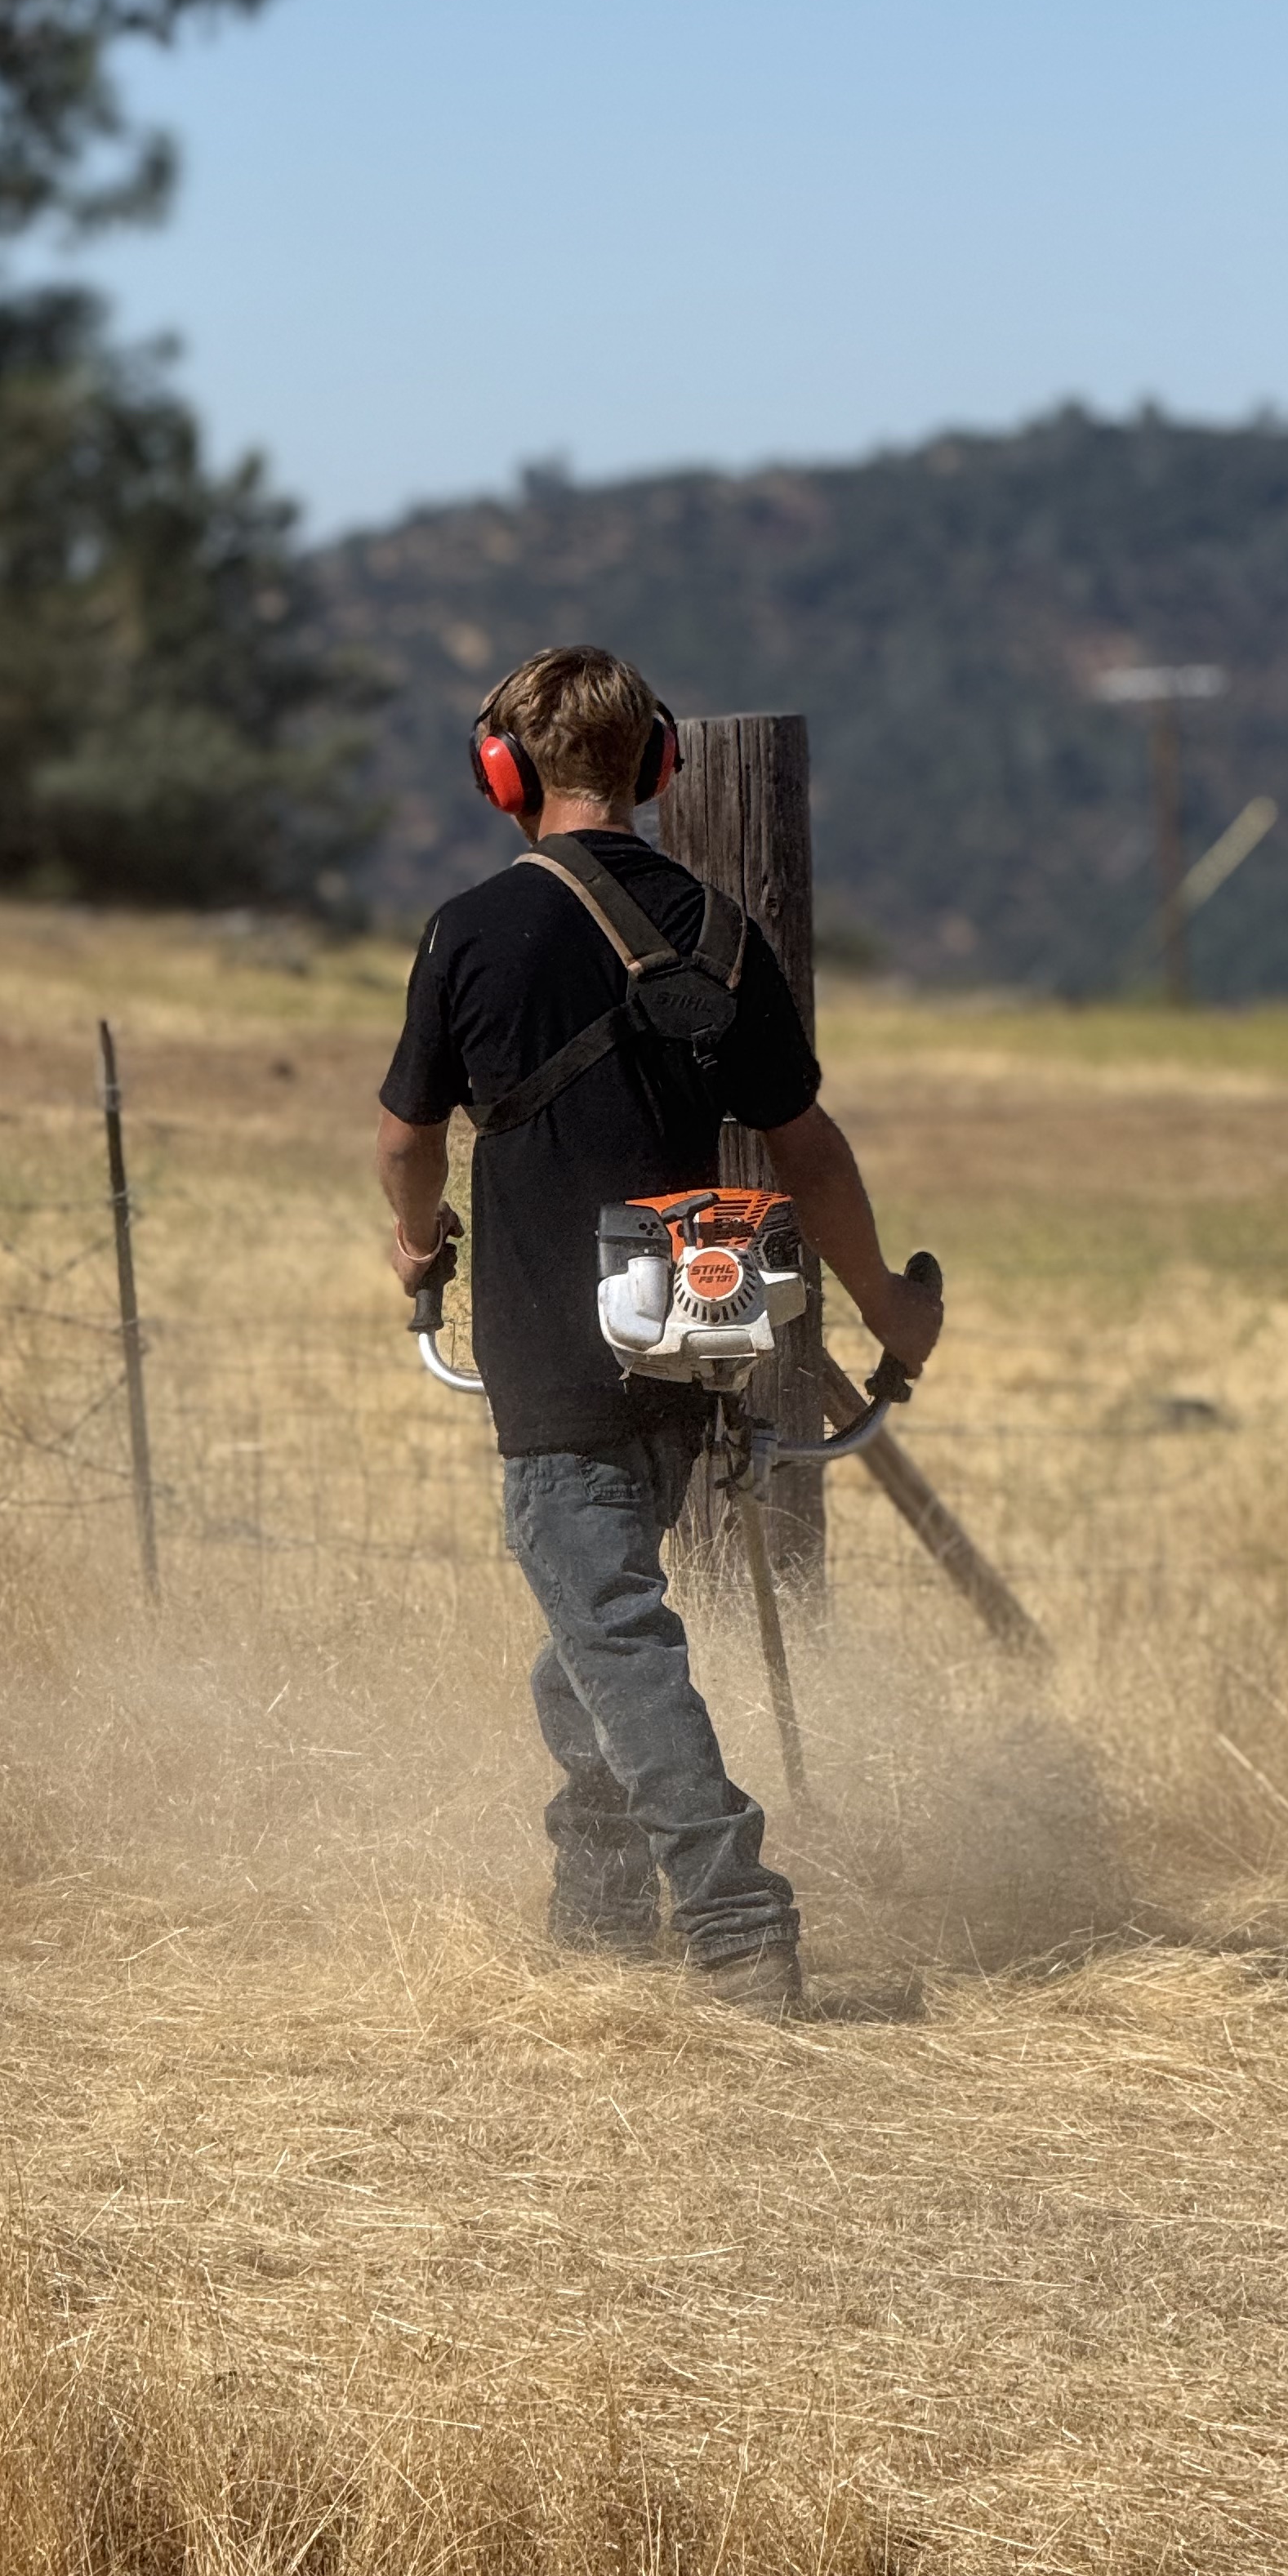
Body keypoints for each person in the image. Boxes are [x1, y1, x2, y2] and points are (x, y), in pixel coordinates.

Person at [375, 644, 943, 2017]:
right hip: (692, 1347)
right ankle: (602, 1912)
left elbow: (405, 1141)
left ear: (501, 774)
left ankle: (737, 1918)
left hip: (550, 1349)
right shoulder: (723, 933)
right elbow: (809, 1150)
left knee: (612, 1629)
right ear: (659, 764)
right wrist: (893, 1314)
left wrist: (417, 1243)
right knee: (593, 1623)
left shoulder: (470, 931)